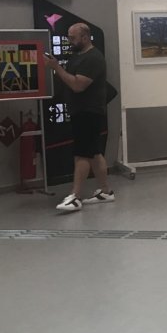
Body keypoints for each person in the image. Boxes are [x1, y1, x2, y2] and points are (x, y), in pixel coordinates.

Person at [44, 23, 114, 211]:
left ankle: (75, 196)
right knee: (94, 153)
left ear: (85, 37)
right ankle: (106, 191)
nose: (69, 40)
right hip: (80, 111)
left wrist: (56, 68)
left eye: (73, 37)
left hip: (89, 112)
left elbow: (77, 85)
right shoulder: (77, 56)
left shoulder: (93, 58)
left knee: (82, 154)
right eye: (69, 37)